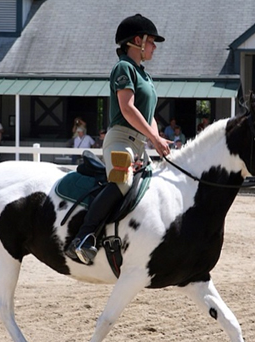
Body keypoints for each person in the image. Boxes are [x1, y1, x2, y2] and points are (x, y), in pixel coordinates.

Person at [66, 13, 170, 264]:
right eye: (151, 41)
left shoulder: (144, 75)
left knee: (153, 182)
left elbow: (149, 115)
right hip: (120, 139)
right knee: (124, 182)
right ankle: (83, 237)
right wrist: (153, 138)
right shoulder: (123, 68)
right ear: (137, 40)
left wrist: (158, 139)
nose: (154, 46)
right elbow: (127, 108)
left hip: (139, 142)